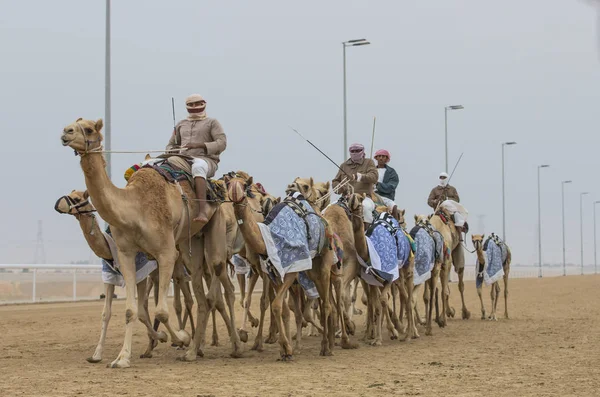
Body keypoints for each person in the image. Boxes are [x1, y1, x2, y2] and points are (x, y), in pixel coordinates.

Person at [166, 94, 227, 225]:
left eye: (197, 103)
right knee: (162, 163)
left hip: (206, 160)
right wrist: (173, 149)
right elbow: (170, 145)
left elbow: (222, 143)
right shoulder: (181, 125)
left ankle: (202, 211)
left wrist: (201, 145)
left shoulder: (212, 122)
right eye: (191, 104)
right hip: (183, 159)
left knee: (198, 167)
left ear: (204, 103)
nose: (195, 107)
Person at [427, 172, 467, 240]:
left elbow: (457, 199)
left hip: (450, 210)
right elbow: (429, 201)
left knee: (457, 217)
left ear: (447, 178)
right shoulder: (435, 190)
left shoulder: (452, 189)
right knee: (430, 221)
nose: (442, 179)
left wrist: (447, 200)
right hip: (438, 210)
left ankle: (459, 233)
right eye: (441, 177)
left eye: (444, 177)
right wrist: (436, 201)